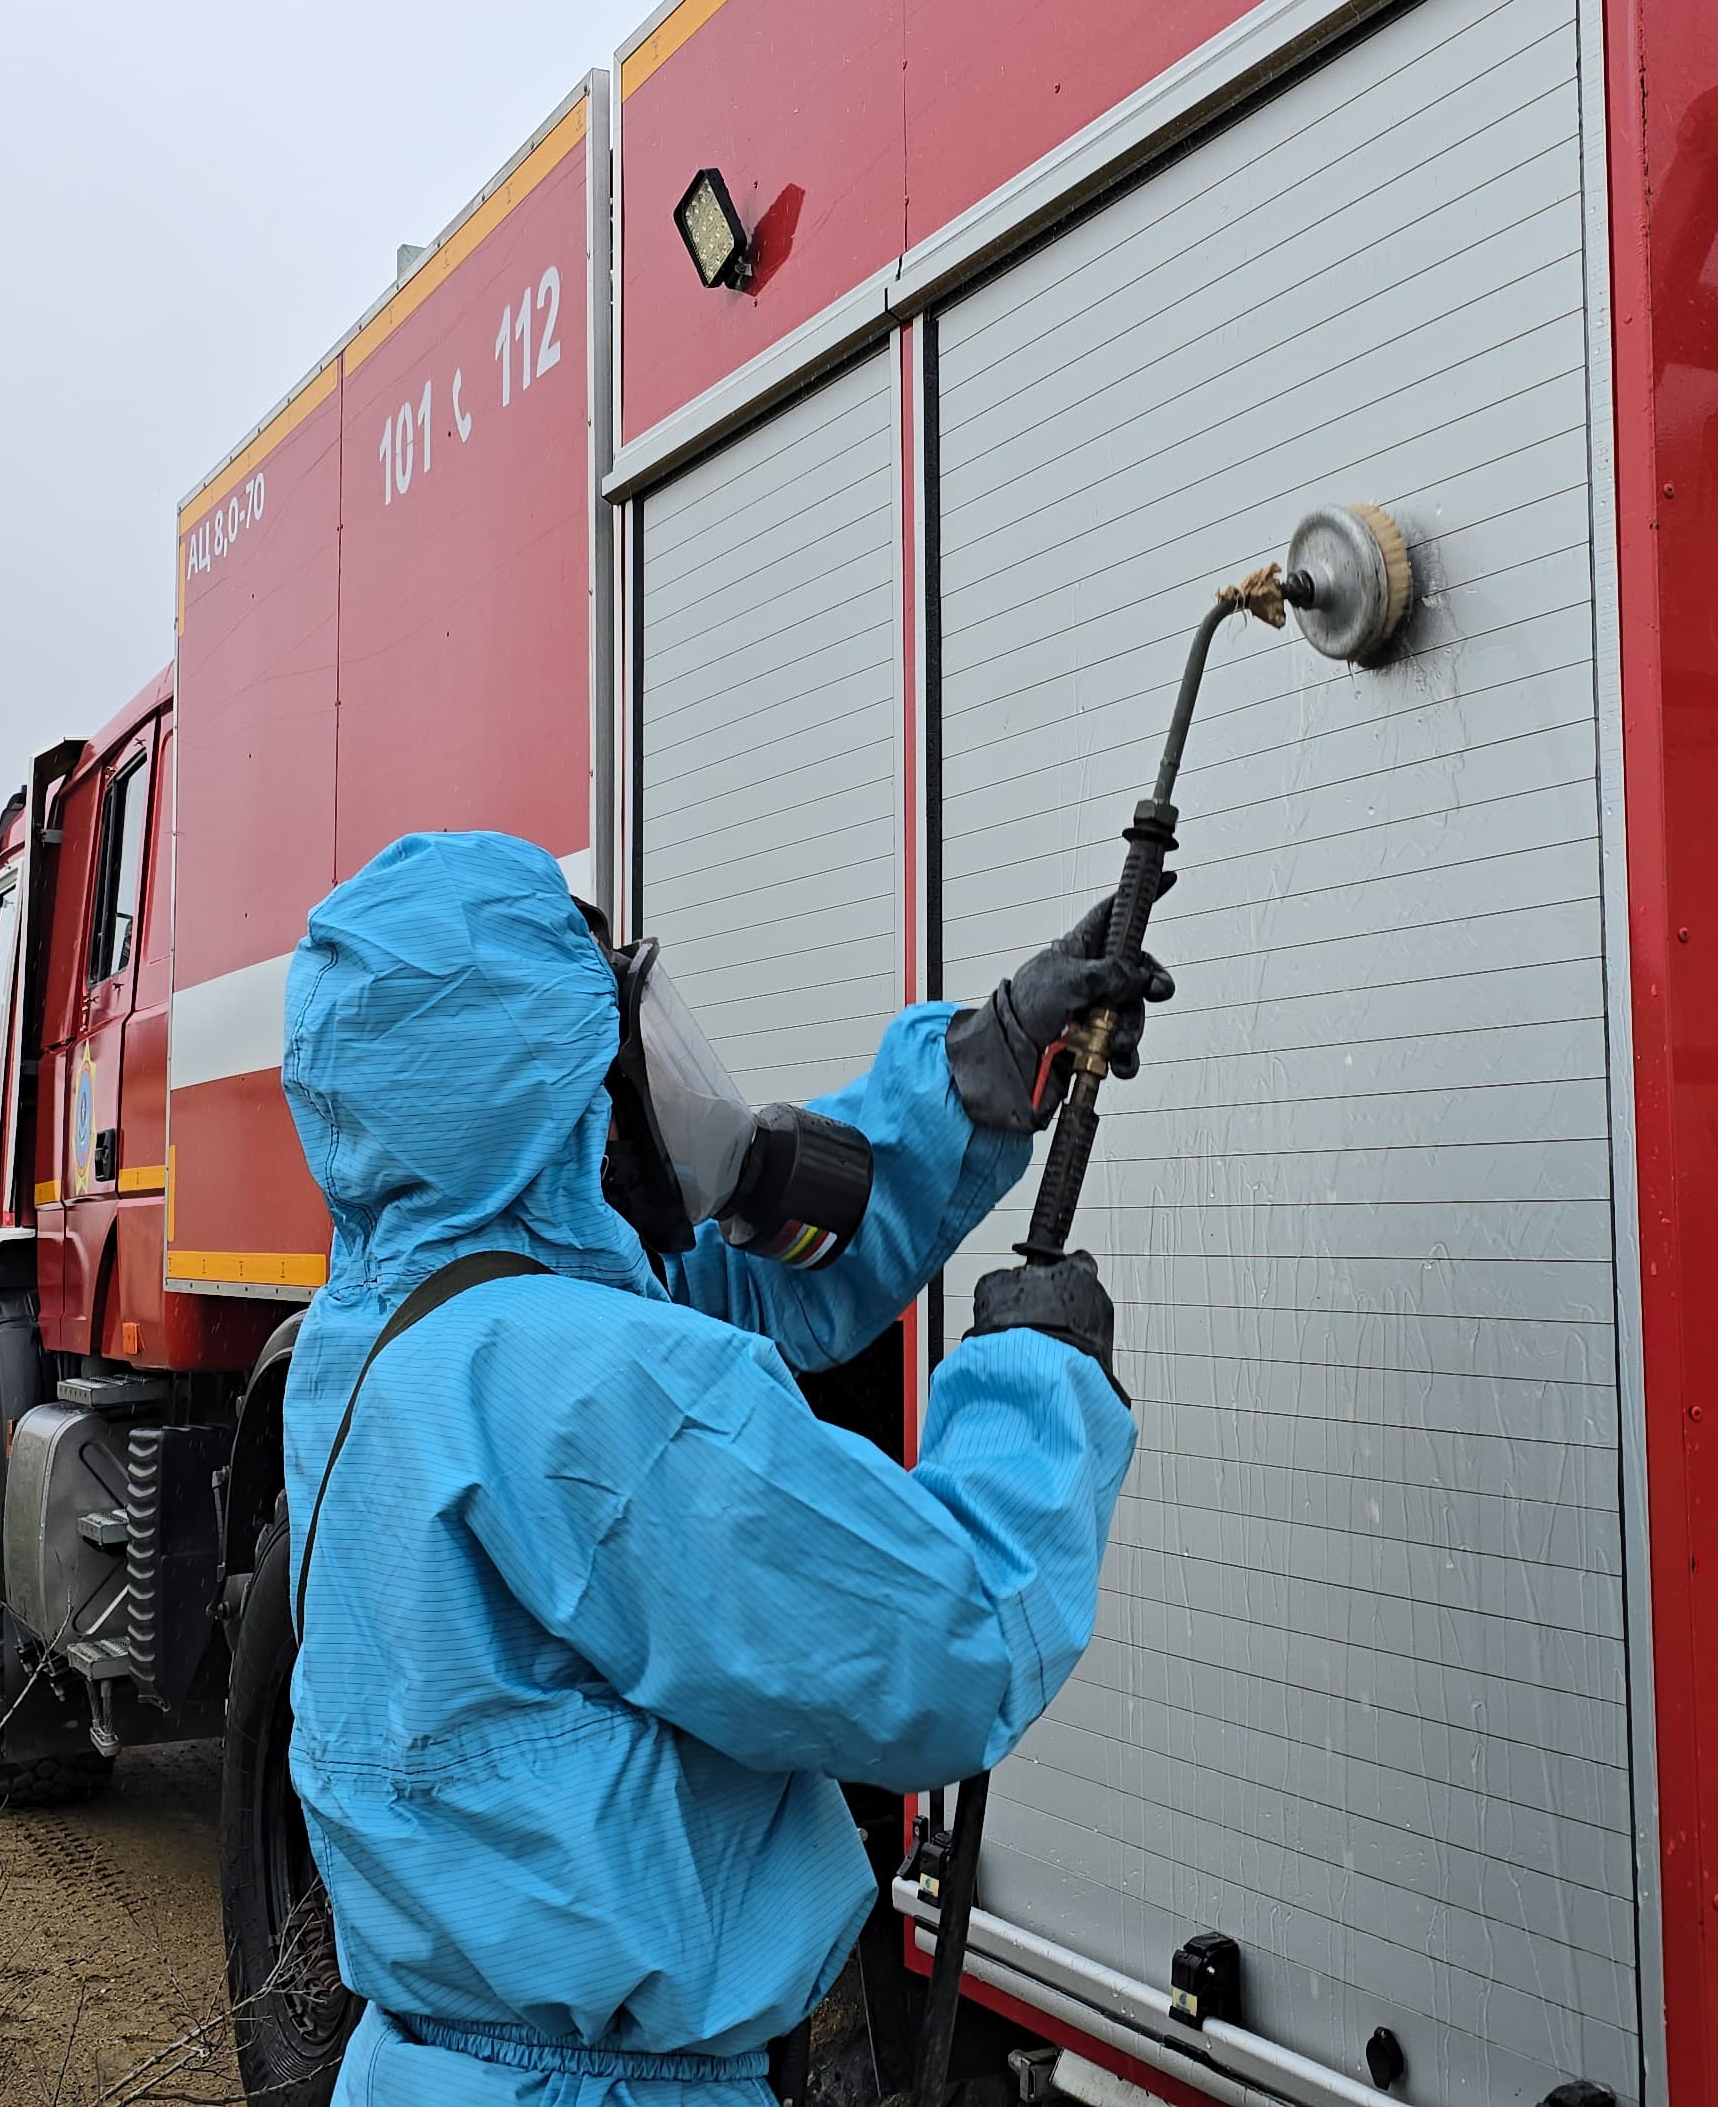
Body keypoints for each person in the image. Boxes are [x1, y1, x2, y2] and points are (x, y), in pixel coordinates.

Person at [274, 830, 1166, 2107]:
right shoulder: (594, 1384)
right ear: (556, 1083)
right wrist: (1039, 1377)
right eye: (616, 1051)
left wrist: (971, 1077)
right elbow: (944, 1646)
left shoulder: (382, 1328)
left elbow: (730, 1290)